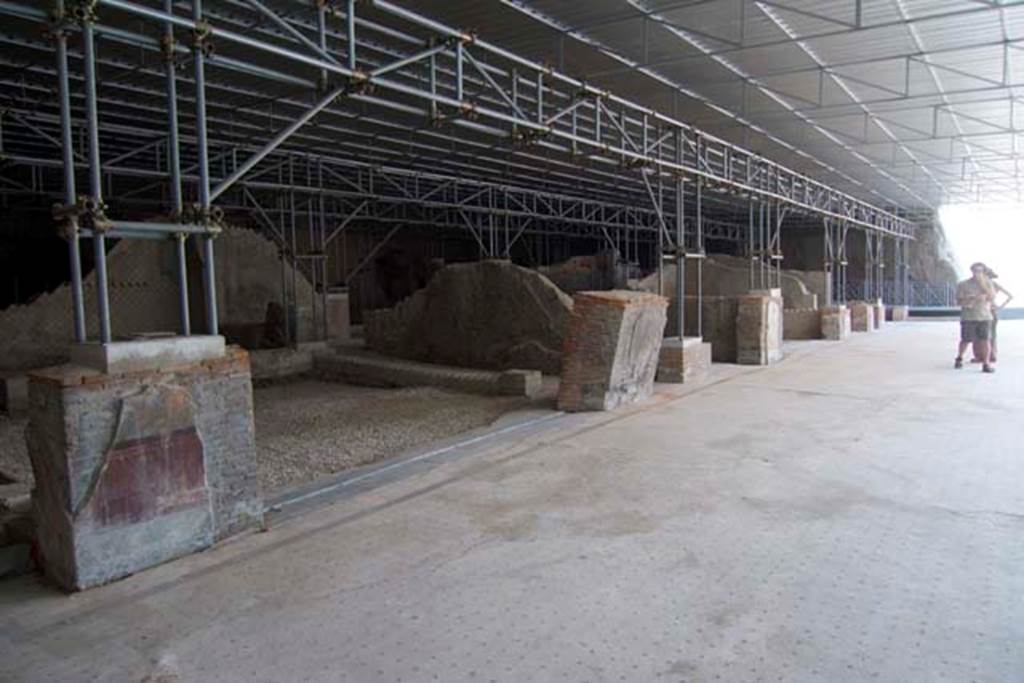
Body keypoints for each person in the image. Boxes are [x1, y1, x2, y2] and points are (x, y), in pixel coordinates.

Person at [954, 262, 995, 373]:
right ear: (971, 271)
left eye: (980, 271)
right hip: (969, 316)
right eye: (975, 271)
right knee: (966, 339)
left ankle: (986, 363)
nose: (978, 273)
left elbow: (991, 297)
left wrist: (984, 290)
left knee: (985, 340)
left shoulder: (988, 283)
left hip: (985, 316)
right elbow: (958, 301)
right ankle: (959, 358)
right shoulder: (963, 284)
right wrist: (970, 299)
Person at [971, 267, 1013, 363]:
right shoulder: (994, 284)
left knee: (979, 334)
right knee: (991, 334)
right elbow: (1010, 296)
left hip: (983, 311)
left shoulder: (984, 285)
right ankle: (992, 355)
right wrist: (999, 307)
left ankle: (980, 356)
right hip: (992, 311)